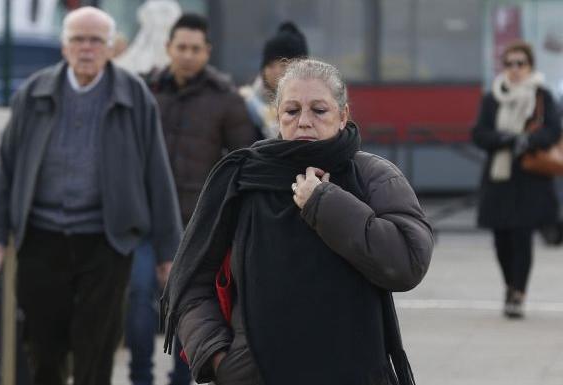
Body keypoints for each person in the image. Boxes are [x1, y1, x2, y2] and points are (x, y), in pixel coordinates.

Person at [161, 59, 434, 385]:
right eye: (292, 111)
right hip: (255, 375)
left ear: (343, 115)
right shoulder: (241, 179)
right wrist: (220, 359)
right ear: (278, 116)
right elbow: (190, 278)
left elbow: (407, 262)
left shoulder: (373, 177)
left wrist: (324, 202)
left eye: (319, 110)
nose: (304, 122)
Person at [0, 7, 182, 385]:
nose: (86, 48)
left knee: (96, 349)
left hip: (107, 240)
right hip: (41, 238)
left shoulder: (134, 96)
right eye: (77, 40)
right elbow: (4, 170)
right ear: (63, 46)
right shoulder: (33, 93)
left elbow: (157, 174)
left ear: (111, 47)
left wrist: (169, 252)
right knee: (43, 349)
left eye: (95, 41)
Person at [126, 13, 256, 385]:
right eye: (181, 47)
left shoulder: (226, 99)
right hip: (145, 221)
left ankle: (183, 378)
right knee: (138, 297)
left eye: (195, 49)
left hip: (198, 225)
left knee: (189, 306)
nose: (187, 55)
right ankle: (140, 377)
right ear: (168, 48)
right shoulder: (144, 91)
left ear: (207, 52)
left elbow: (244, 159)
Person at [472, 40, 561, 319]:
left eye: (520, 63)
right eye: (509, 63)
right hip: (499, 179)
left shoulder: (542, 96)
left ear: (530, 65)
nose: (515, 69)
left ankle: (518, 293)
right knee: (501, 240)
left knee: (522, 238)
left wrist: (528, 141)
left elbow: (553, 130)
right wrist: (505, 138)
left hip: (530, 179)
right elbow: (479, 133)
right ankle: (509, 284)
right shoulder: (493, 97)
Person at [240, 21, 308, 139]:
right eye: (270, 65)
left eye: (283, 65)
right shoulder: (247, 104)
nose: (276, 71)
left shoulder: (318, 105)